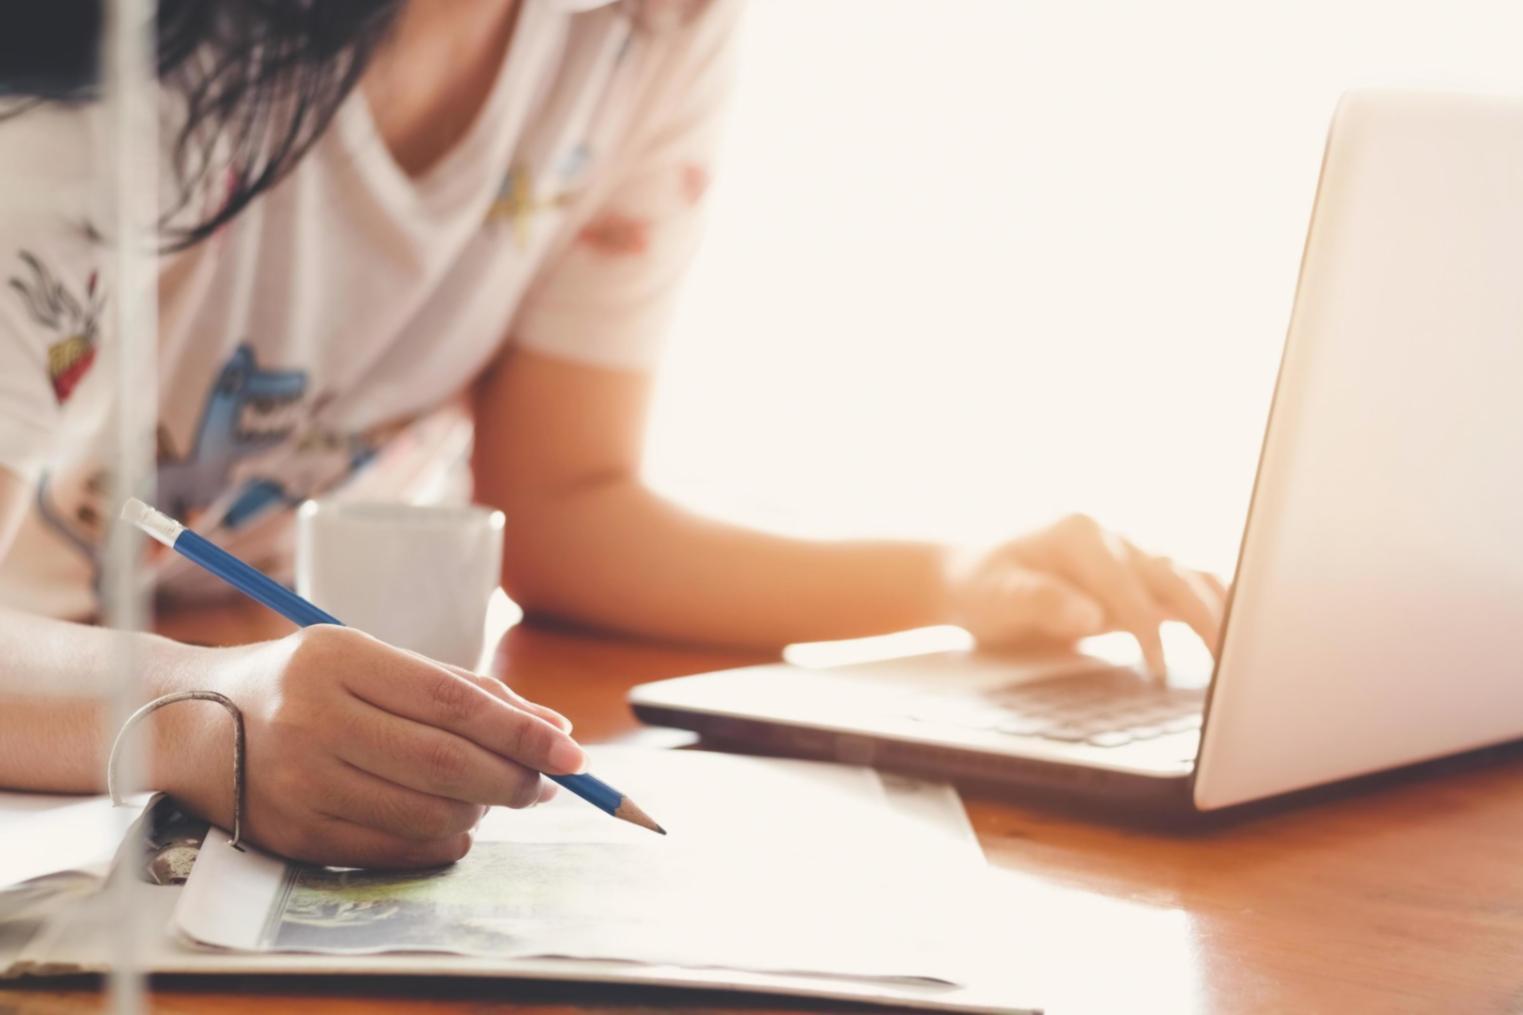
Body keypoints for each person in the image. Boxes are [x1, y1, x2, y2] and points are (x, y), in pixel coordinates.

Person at [0, 0, 1225, 868]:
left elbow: (566, 502)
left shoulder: (647, 22)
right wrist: (204, 707)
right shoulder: (98, 59)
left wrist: (946, 580)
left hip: (272, 688)